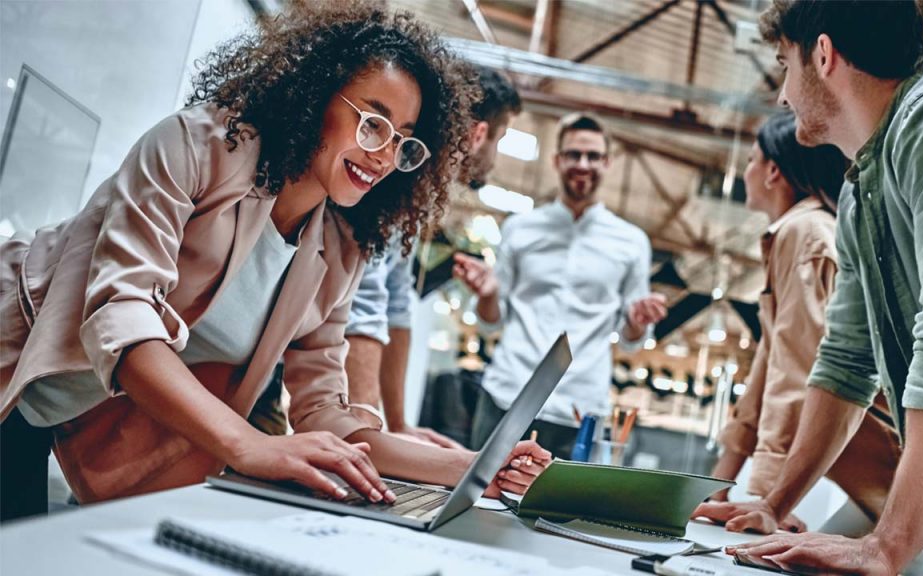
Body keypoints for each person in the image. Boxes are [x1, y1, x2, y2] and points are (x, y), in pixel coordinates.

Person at [0, 2, 549, 523]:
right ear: (315, 96)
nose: (383, 155)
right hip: (14, 367)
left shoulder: (339, 248)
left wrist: (476, 467)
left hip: (81, 415)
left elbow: (325, 413)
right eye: (372, 123)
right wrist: (251, 444)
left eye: (403, 141)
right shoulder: (195, 146)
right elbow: (124, 320)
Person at [701, 2, 923, 575]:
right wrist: (773, 507)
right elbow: (845, 363)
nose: (782, 95)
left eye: (784, 66)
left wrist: (887, 545)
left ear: (821, 56)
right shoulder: (858, 194)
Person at [696, 113, 923, 574]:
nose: (746, 170)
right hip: (873, 470)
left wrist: (768, 499)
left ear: (773, 171)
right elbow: (765, 374)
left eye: (751, 160)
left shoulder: (803, 233)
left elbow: (800, 367)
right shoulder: (792, 235)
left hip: (890, 465)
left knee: (910, 559)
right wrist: (715, 484)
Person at [454, 113, 668, 459]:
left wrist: (637, 321)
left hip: (580, 408)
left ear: (607, 163)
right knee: (480, 500)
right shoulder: (520, 229)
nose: (583, 164)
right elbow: (491, 320)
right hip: (508, 395)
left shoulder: (632, 242)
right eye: (573, 154)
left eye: (593, 156)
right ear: (557, 160)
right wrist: (489, 295)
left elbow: (631, 342)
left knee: (562, 512)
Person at [335, 65, 523, 448]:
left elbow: (396, 302)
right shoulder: (393, 179)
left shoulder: (419, 193)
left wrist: (399, 424)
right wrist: (371, 437)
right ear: (479, 134)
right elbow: (367, 304)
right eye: (500, 139)